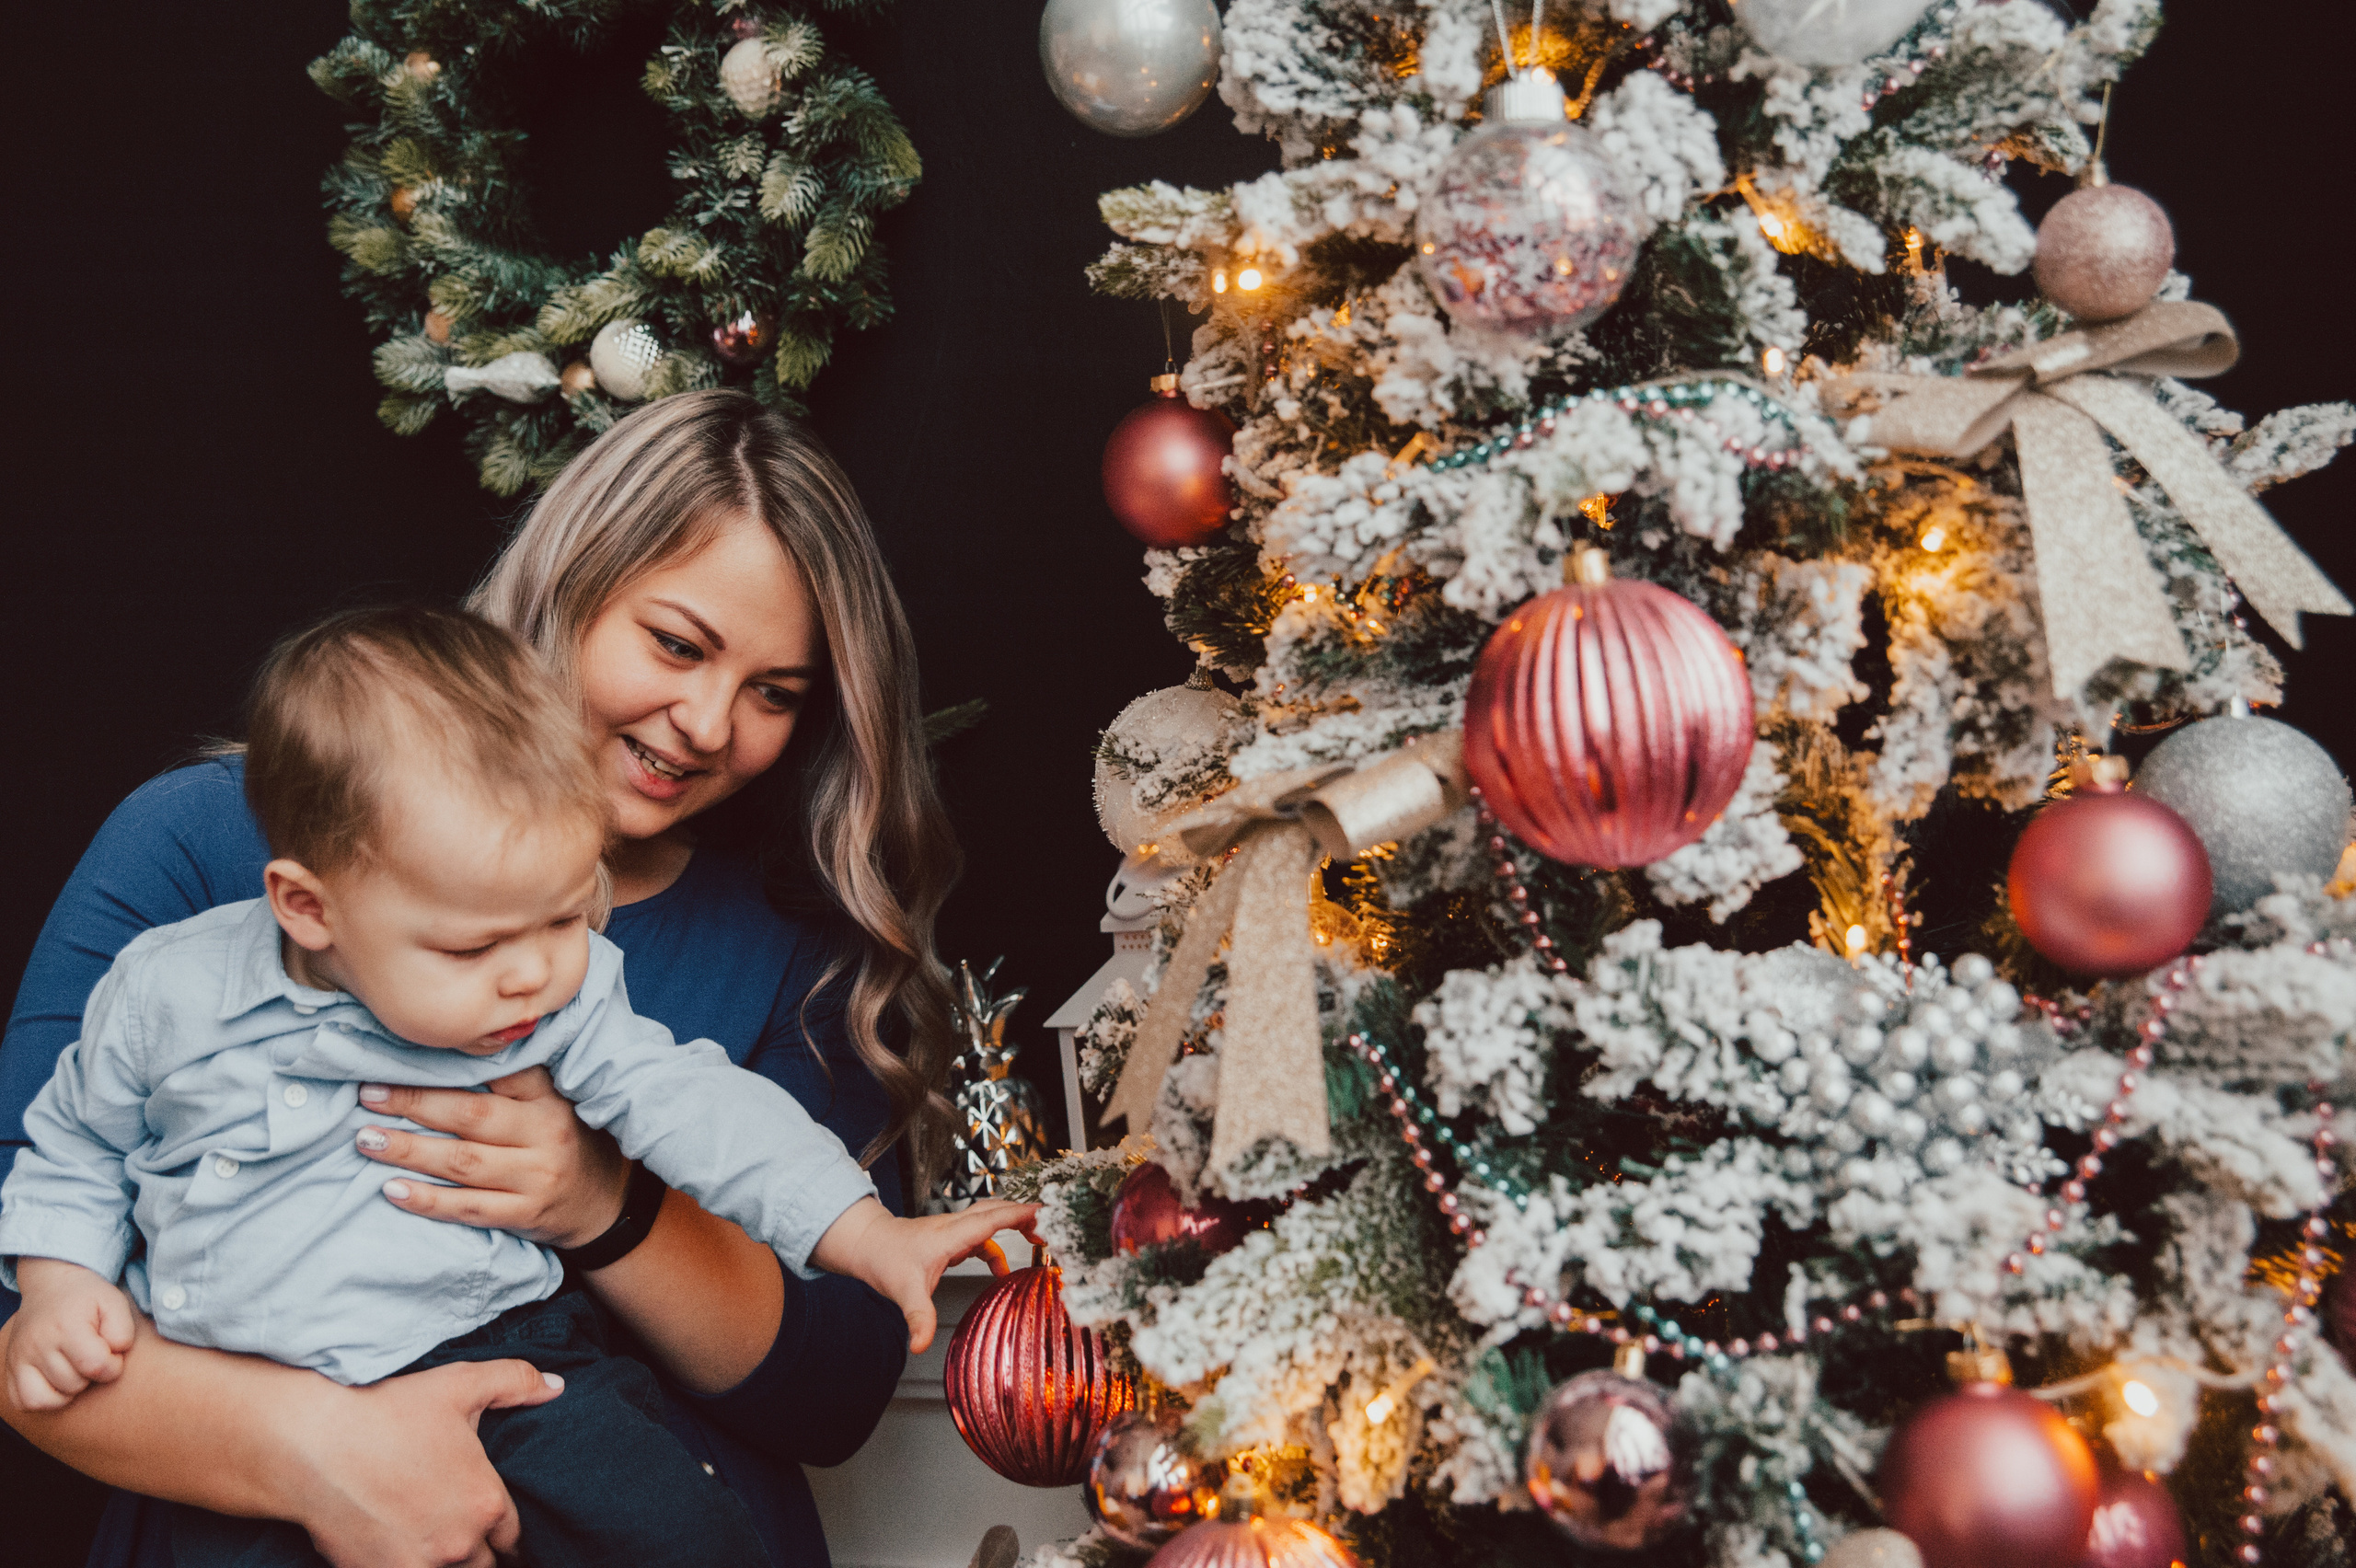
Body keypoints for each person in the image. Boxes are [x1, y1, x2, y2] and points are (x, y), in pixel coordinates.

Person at [0, 391, 974, 1568]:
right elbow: (32, 1272)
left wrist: (599, 1201)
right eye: (676, 644)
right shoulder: (200, 850)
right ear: (568, 589)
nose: (711, 722)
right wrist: (324, 1454)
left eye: (777, 692)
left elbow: (831, 1391)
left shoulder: (778, 959)